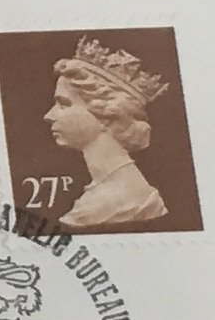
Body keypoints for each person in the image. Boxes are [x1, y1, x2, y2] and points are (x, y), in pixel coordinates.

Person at [43, 38, 171, 230]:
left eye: (64, 104)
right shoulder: (125, 190)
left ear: (106, 115)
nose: (49, 116)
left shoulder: (107, 205)